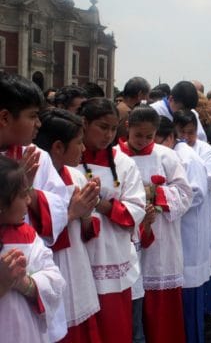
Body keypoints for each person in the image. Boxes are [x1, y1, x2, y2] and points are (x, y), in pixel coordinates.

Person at [0, 72, 70, 341]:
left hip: (32, 267)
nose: (38, 123)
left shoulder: (37, 156)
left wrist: (30, 190)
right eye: (31, 116)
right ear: (6, 117)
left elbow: (60, 206)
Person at [117, 106, 192, 343]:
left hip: (161, 239)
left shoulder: (166, 156)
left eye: (148, 136)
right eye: (138, 135)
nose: (142, 141)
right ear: (128, 127)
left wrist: (156, 194)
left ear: (156, 133)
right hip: (126, 236)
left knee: (160, 311)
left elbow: (185, 194)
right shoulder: (114, 155)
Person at [78, 98, 146, 343]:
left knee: (114, 328)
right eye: (102, 127)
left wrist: (102, 205)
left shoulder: (124, 163)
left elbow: (136, 208)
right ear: (84, 123)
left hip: (112, 256)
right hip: (79, 255)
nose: (108, 134)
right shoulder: (69, 157)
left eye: (113, 128)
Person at [34, 109, 102, 342]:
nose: (84, 149)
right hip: (51, 265)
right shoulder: (34, 181)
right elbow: (33, 232)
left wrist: (86, 216)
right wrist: (72, 213)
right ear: (58, 148)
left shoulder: (77, 176)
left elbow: (88, 230)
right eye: (79, 143)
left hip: (77, 265)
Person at [0, 156, 66, 343]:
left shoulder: (27, 235)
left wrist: (26, 284)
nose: (29, 201)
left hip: (26, 332)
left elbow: (55, 280)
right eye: (22, 195)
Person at [173, 109, 211, 328]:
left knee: (197, 263)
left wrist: (192, 171)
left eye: (190, 132)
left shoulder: (206, 149)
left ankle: (204, 309)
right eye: (181, 132)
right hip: (176, 218)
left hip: (197, 214)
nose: (186, 137)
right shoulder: (171, 151)